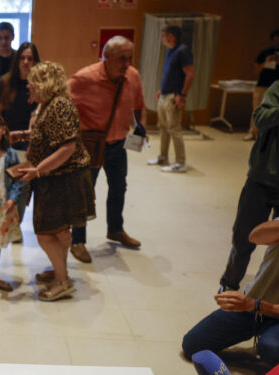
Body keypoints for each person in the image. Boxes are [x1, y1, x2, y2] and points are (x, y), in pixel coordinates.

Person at [11, 61, 95, 301]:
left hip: (63, 179)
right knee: (59, 232)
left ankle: (63, 281)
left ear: (44, 84)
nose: (28, 86)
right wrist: (26, 134)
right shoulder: (47, 105)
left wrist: (37, 170)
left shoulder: (58, 105)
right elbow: (51, 135)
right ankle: (60, 271)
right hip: (56, 177)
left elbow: (67, 147)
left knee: (47, 232)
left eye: (32, 82)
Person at [68, 36, 146, 263]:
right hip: (89, 145)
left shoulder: (132, 75)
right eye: (122, 58)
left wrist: (141, 127)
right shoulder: (84, 78)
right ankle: (77, 241)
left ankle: (115, 229)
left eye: (130, 58)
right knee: (85, 193)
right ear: (107, 58)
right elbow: (61, 103)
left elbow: (140, 106)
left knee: (119, 188)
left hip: (118, 144)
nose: (127, 63)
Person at [183, 219, 279, 367]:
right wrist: (252, 305)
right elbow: (255, 237)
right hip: (252, 308)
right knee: (193, 345)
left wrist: (258, 306)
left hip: (264, 309)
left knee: (271, 348)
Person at [219, 80, 279, 292]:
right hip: (262, 179)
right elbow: (260, 119)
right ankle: (229, 284)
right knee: (243, 237)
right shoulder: (277, 88)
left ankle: (269, 294)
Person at [0, 42, 40, 222]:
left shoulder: (39, 85)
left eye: (30, 58)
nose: (26, 62)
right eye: (23, 58)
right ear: (17, 60)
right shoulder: (4, 82)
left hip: (31, 144)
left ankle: (16, 226)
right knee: (7, 184)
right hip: (8, 142)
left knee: (24, 185)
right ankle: (3, 224)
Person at [0, 114, 24, 292]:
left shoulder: (10, 154)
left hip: (3, 206)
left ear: (4, 130)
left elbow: (18, 180)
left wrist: (12, 199)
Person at [148, 25, 194, 173]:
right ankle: (163, 156)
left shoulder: (183, 51)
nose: (162, 38)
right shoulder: (170, 52)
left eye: (164, 35)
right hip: (164, 94)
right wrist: (161, 90)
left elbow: (190, 74)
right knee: (163, 127)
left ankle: (180, 162)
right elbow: (170, 73)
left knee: (174, 128)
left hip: (174, 96)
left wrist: (182, 95)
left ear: (172, 36)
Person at [246, 29, 279, 141]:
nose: (277, 43)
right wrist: (266, 62)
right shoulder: (264, 53)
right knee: (257, 109)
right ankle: (253, 132)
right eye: (275, 40)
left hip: (276, 87)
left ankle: (269, 136)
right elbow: (255, 71)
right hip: (262, 86)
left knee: (274, 112)